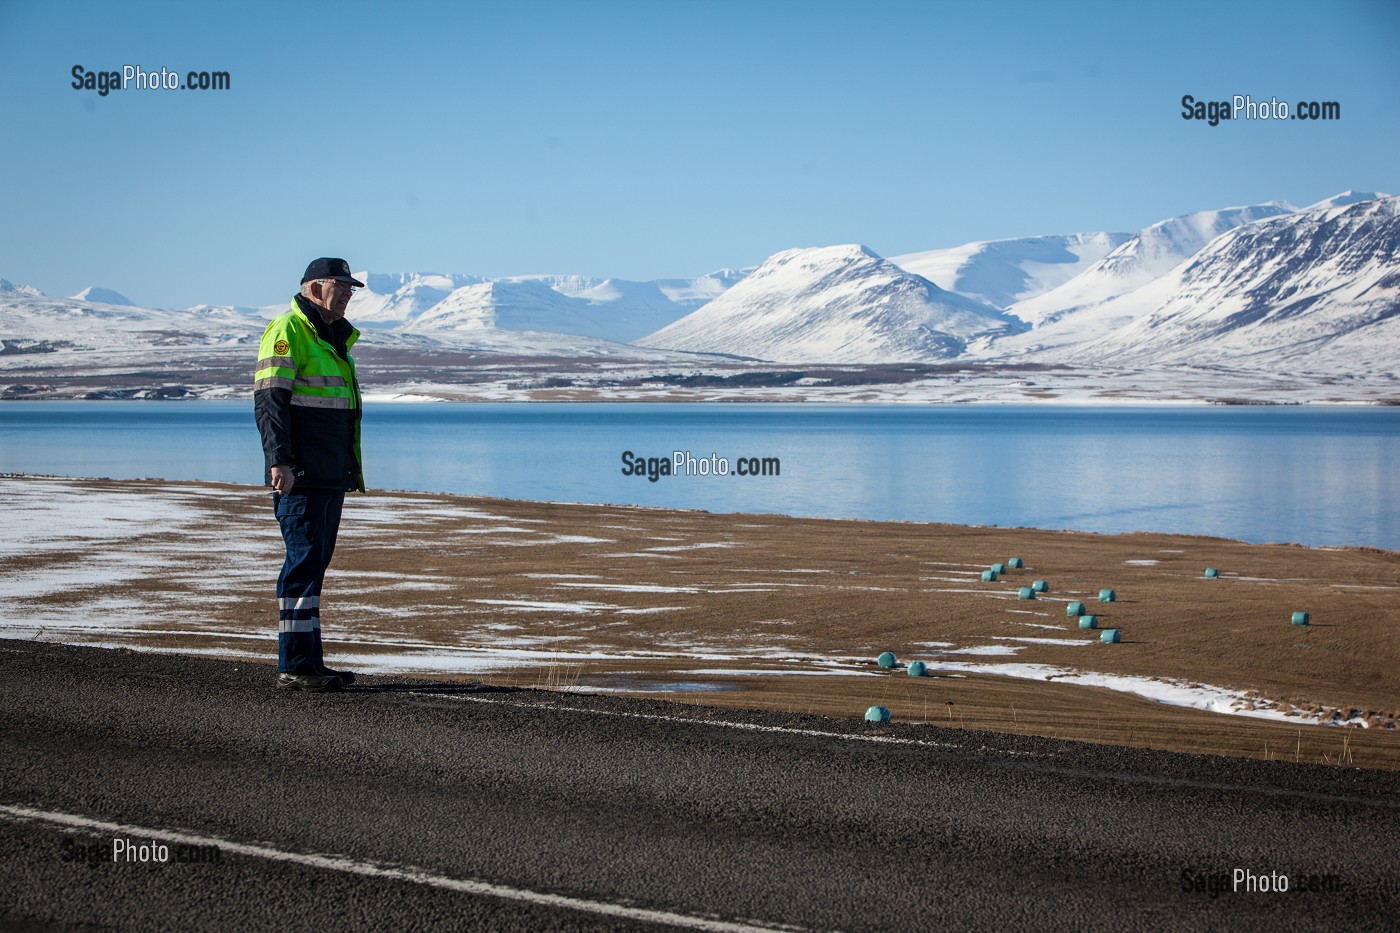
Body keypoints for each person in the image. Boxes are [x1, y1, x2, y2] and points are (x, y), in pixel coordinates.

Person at [253, 257, 366, 692]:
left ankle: (310, 664)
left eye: (351, 288)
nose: (347, 294)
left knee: (315, 564)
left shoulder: (334, 338)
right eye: (341, 286)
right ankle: (295, 665)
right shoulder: (288, 332)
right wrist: (279, 460)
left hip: (329, 472)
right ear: (315, 287)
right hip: (300, 473)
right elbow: (270, 402)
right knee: (302, 563)